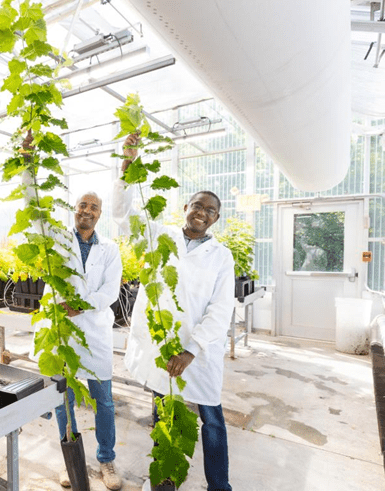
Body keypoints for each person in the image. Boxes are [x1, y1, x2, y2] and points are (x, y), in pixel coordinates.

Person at [112, 134, 235, 491]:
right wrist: (128, 167)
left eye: (210, 210)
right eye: (197, 205)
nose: (202, 213)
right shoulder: (158, 236)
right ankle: (164, 481)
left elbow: (221, 307)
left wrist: (192, 349)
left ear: (216, 218)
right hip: (162, 345)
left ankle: (219, 486)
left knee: (211, 419)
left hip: (198, 353)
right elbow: (122, 214)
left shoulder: (221, 257)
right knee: (163, 415)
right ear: (186, 207)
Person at [36, 189, 123, 490]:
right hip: (63, 332)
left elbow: (111, 291)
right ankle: (68, 455)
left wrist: (81, 306)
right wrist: (28, 163)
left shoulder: (109, 249)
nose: (87, 211)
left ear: (101, 214)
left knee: (105, 401)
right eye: (82, 205)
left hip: (95, 333)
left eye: (94, 207)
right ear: (74, 209)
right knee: (64, 399)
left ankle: (106, 458)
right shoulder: (58, 241)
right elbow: (35, 214)